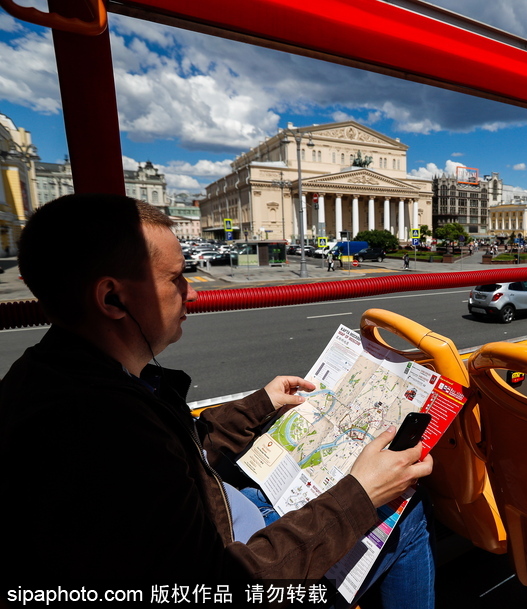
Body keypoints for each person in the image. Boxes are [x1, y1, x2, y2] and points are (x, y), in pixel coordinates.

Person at [0, 194, 434, 603]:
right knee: (402, 513)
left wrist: (260, 403)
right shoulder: (103, 433)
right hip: (240, 562)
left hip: (224, 511)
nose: (192, 292)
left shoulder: (63, 375)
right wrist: (358, 494)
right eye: (175, 278)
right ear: (113, 298)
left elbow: (183, 452)